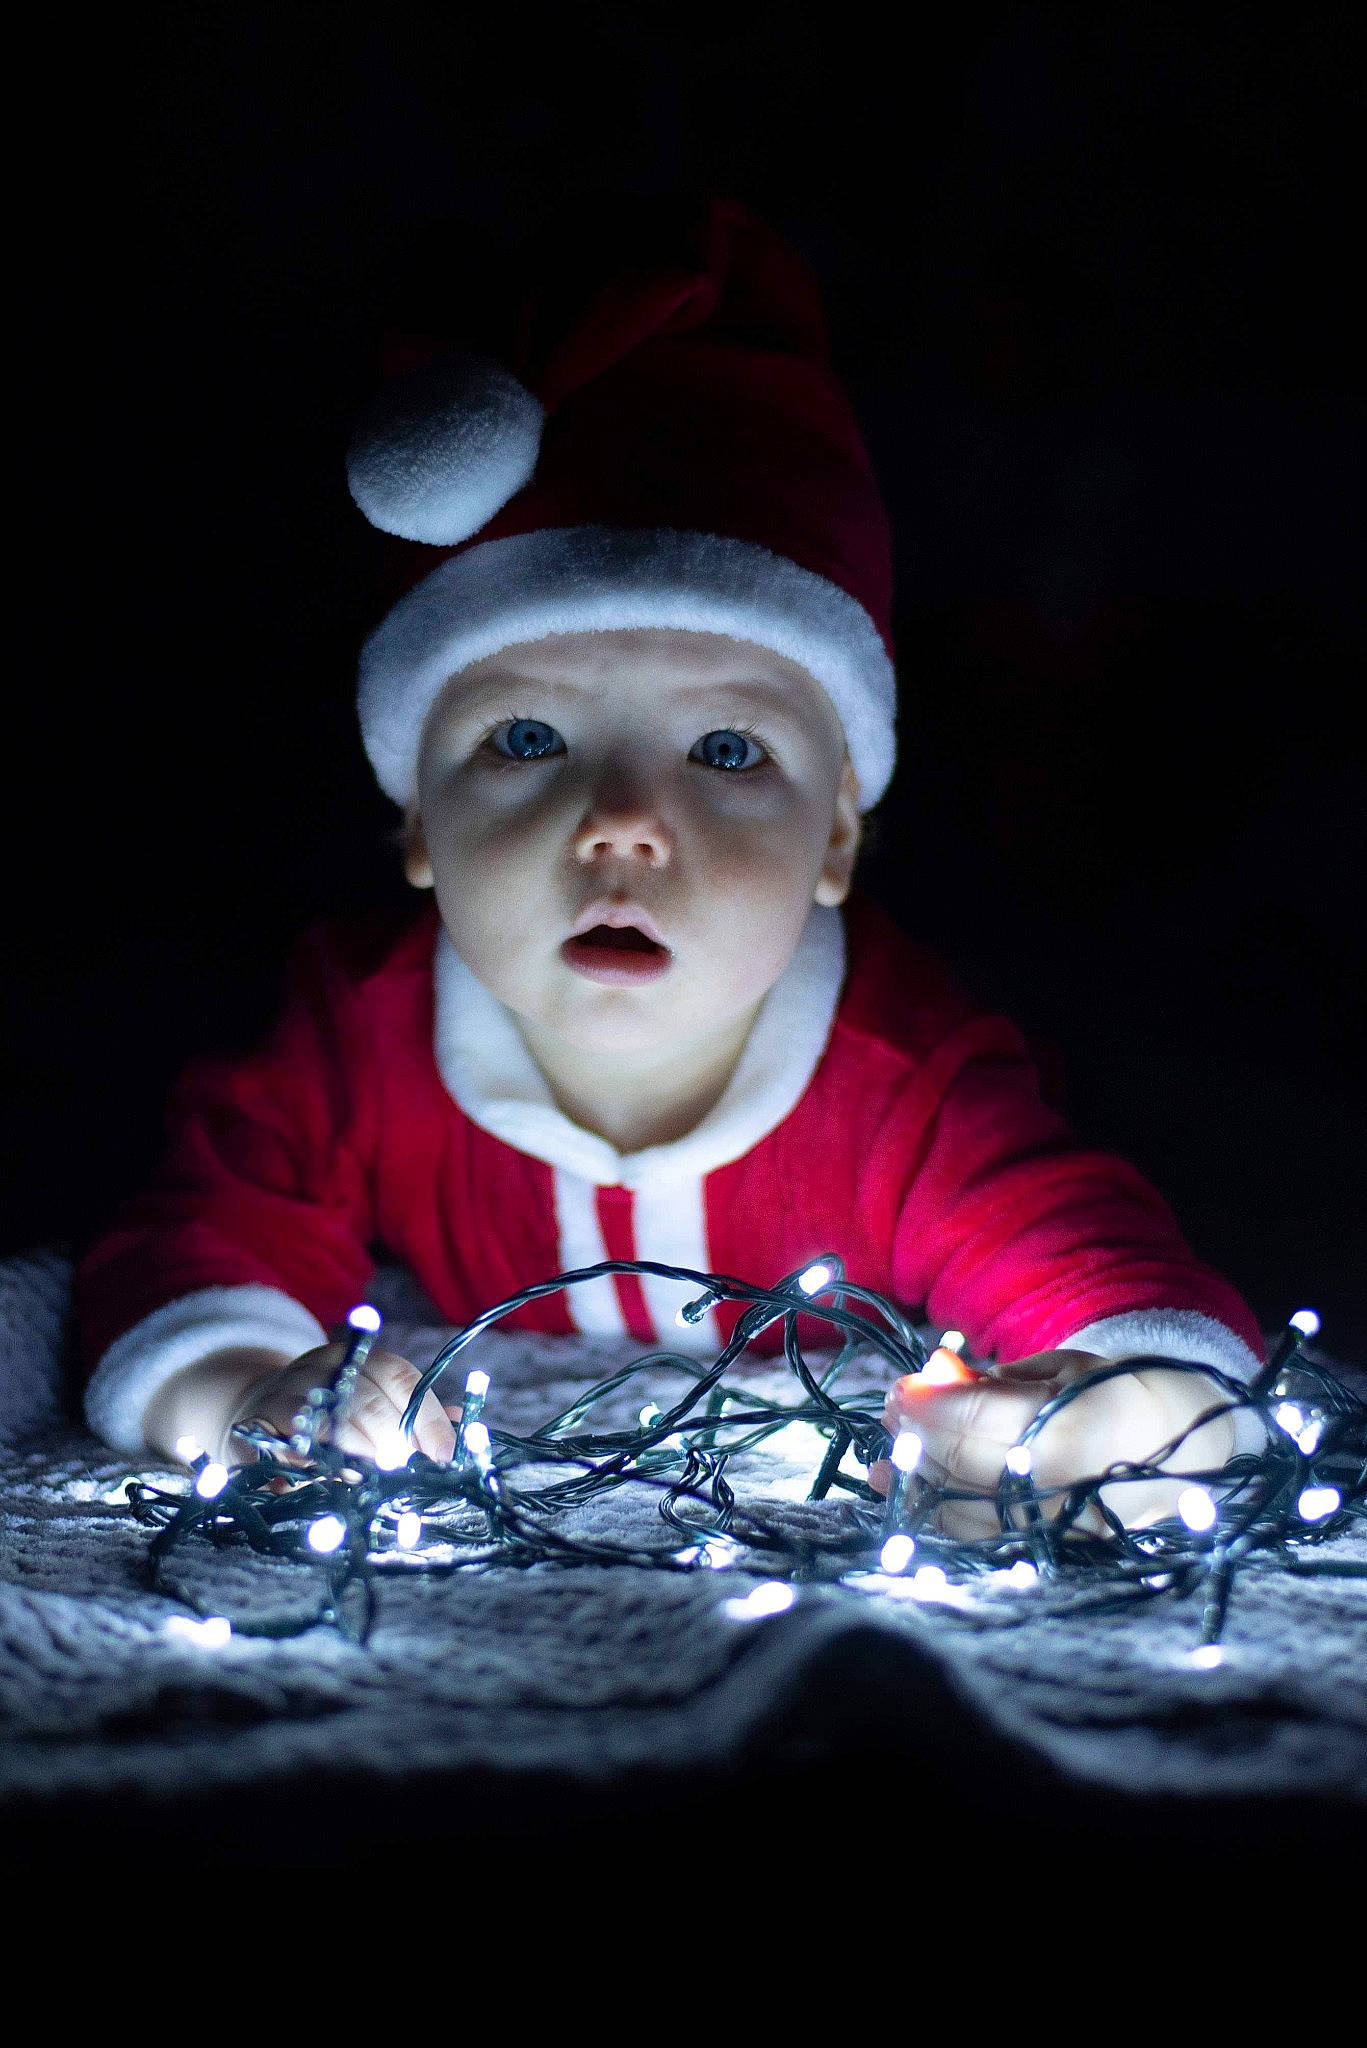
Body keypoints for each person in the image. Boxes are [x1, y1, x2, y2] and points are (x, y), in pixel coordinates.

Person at [74, 196, 1265, 1534]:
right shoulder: (357, 1040)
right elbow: (192, 1247)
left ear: (835, 838)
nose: (624, 822)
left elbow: (1111, 1280)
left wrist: (1099, 1414)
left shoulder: (903, 1089)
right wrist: (247, 1392)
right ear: (415, 817)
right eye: (528, 738)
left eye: (727, 751)